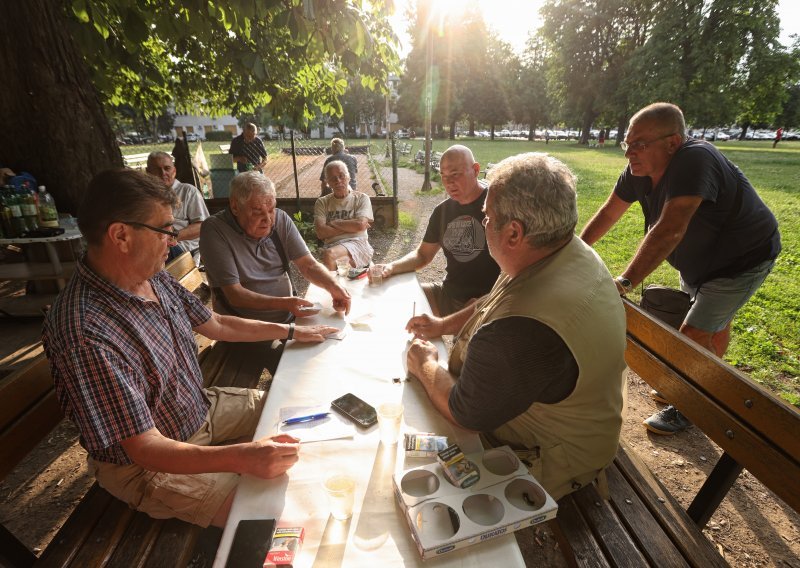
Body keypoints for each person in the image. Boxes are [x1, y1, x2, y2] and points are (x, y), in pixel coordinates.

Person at [41, 169, 338, 528]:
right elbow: (146, 448)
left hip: (198, 409)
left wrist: (291, 331)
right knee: (275, 512)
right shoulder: (86, 333)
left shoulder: (151, 274)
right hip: (148, 467)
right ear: (121, 235)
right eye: (166, 229)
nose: (174, 240)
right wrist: (243, 457)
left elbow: (218, 324)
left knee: (308, 415)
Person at [405, 152, 627, 501]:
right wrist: (441, 325)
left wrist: (424, 363)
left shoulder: (521, 330)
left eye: (487, 216)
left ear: (513, 232)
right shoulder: (559, 249)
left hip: (554, 458)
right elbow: (494, 298)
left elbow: (465, 413)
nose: (482, 222)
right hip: (583, 425)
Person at [580, 102, 781, 435]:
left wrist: (626, 281)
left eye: (639, 144)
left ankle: (688, 404)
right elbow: (609, 213)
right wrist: (575, 249)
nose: (629, 152)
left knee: (693, 335)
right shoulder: (638, 172)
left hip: (742, 259)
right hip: (702, 262)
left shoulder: (695, 159)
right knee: (713, 324)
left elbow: (670, 229)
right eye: (626, 144)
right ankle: (705, 384)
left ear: (672, 143)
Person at [200, 171, 351, 326]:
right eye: (257, 211)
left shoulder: (280, 219)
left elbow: (308, 265)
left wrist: (334, 287)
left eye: (271, 209)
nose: (268, 219)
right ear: (235, 206)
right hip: (244, 330)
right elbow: (235, 295)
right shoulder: (215, 230)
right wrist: (285, 304)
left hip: (288, 321)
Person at [377, 145, 500, 317]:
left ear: (476, 170)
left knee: (463, 340)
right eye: (444, 176)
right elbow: (423, 256)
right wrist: (390, 267)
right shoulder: (442, 211)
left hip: (491, 302)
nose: (449, 183)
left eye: (455, 174)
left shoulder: (497, 204)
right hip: (450, 293)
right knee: (399, 300)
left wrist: (488, 299)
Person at [145, 151, 210, 263]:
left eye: (167, 168)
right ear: (148, 172)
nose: (163, 173)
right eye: (157, 169)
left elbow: (203, 226)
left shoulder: (188, 191)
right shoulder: (144, 196)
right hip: (154, 246)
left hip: (182, 247)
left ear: (174, 171)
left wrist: (172, 237)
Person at [314, 161, 374, 270]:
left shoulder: (361, 198)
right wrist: (352, 226)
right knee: (342, 264)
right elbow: (321, 233)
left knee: (329, 255)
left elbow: (360, 225)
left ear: (349, 176)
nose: (338, 181)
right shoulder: (322, 202)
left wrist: (333, 223)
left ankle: (333, 286)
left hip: (357, 244)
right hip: (333, 246)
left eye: (341, 176)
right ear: (327, 182)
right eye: (333, 178)